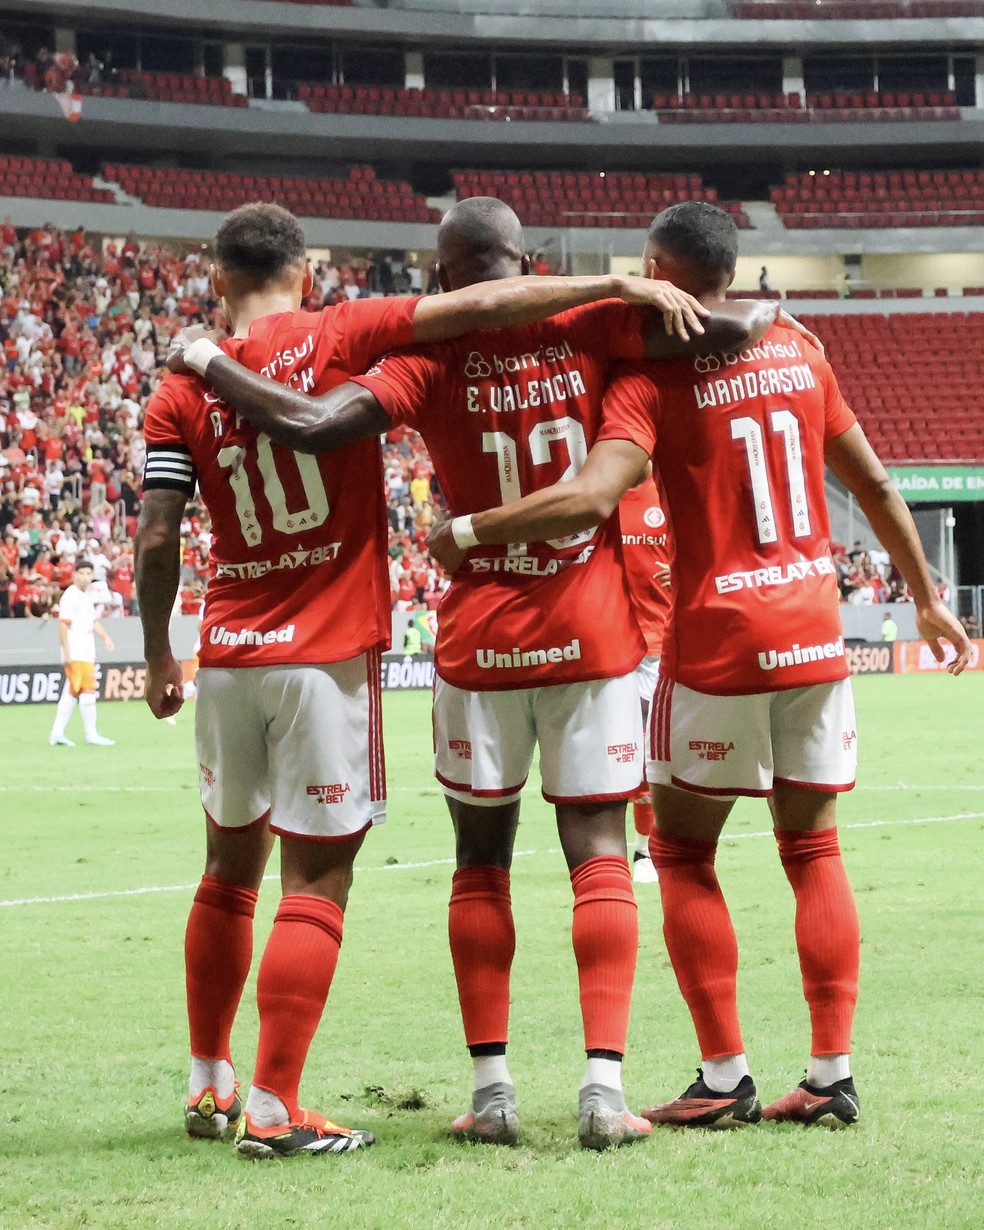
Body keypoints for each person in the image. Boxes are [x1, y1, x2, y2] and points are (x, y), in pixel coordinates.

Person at [165, 197, 782, 1149]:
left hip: (472, 639)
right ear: (528, 260)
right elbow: (738, 325)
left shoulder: (426, 355)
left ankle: (490, 1092)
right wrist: (699, 302)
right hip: (589, 633)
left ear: (443, 283)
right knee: (598, 854)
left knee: (477, 865)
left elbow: (322, 423)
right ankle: (601, 1091)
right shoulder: (591, 325)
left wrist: (208, 360)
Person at [425, 201, 972, 1131]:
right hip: (814, 629)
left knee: (678, 850)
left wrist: (469, 530)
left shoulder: (650, 373)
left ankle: (724, 1076)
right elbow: (875, 484)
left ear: (657, 268)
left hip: (716, 638)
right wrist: (926, 595)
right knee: (814, 848)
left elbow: (596, 492)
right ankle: (831, 1072)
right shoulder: (800, 343)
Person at [618, 468, 671, 884]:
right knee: (617, 754)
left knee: (654, 759)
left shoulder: (670, 491)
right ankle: (619, 852)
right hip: (611, 645)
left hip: (661, 645)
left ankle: (646, 849)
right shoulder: (604, 492)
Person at [48, 559, 116, 746]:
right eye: (82, 573)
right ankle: (86, 734)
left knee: (77, 691)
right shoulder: (70, 596)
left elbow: (92, 622)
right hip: (76, 650)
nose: (86, 577)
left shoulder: (86, 596)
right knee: (81, 691)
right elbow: (63, 625)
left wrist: (106, 638)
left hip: (86, 651)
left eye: (88, 573)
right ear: (75, 574)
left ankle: (62, 734)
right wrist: (67, 652)